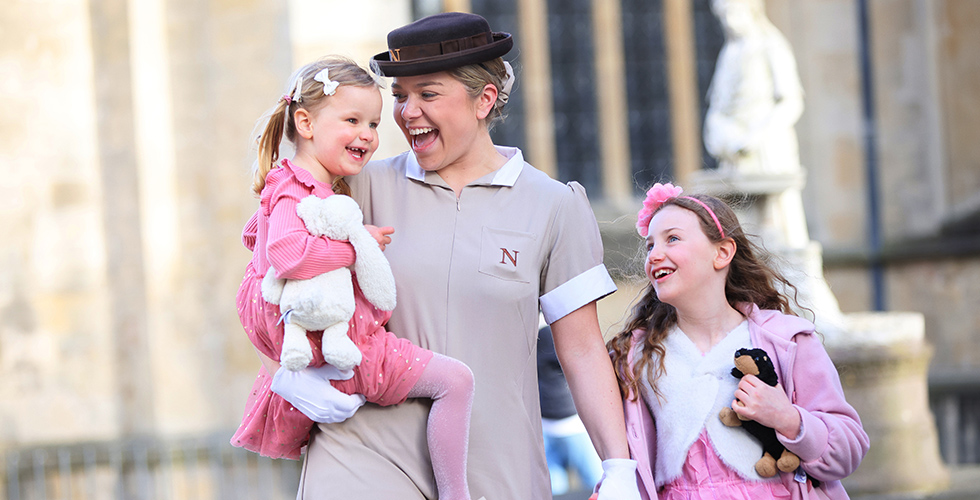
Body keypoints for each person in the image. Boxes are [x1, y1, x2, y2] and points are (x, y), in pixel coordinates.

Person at [273, 12, 641, 500]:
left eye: (427, 94)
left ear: (484, 99)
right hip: (362, 454)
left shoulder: (554, 206)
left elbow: (581, 350)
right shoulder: (355, 188)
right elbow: (274, 277)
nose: (406, 112)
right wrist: (284, 372)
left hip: (496, 467)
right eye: (401, 96)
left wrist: (618, 466)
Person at [231, 56, 476, 500]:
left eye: (374, 123)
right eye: (352, 120)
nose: (367, 134)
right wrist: (355, 247)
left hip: (331, 339)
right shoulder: (295, 187)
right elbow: (284, 256)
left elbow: (256, 240)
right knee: (455, 382)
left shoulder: (298, 185)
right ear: (304, 122)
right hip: (345, 347)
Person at [606, 182, 870, 499]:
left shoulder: (786, 340)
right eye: (650, 246)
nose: (654, 255)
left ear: (722, 253)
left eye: (672, 239)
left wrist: (788, 419)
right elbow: (620, 459)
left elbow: (849, 450)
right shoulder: (635, 356)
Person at [702, 0, 804, 175]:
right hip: (733, 155)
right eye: (724, 16)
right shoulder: (728, 54)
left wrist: (756, 136)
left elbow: (792, 102)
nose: (730, 21)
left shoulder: (771, 45)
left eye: (735, 13)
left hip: (766, 154)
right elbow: (717, 107)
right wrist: (721, 132)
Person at [537, 320, 604, 495]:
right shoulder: (544, 335)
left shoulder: (547, 334)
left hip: (569, 425)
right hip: (550, 427)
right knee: (597, 487)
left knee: (599, 486)